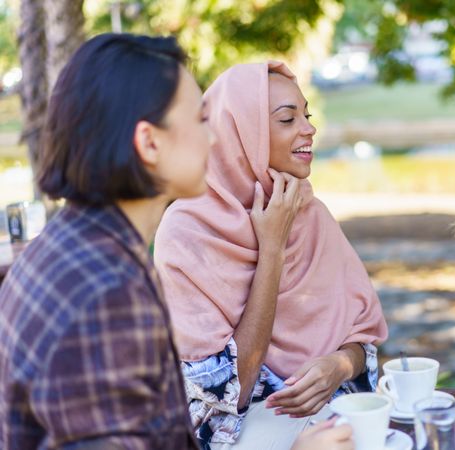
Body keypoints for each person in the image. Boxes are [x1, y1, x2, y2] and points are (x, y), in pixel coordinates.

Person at [0, 35, 353, 450]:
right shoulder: (105, 294)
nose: (216, 138)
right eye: (199, 119)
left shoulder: (78, 253)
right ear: (150, 142)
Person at [153, 61, 388, 449]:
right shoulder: (186, 232)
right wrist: (272, 249)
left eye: (307, 115)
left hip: (333, 423)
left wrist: (338, 365)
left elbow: (363, 341)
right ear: (241, 133)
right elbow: (231, 391)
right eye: (287, 119)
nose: (309, 129)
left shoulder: (311, 214)